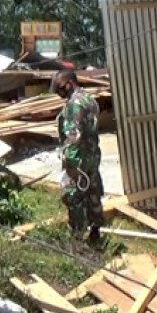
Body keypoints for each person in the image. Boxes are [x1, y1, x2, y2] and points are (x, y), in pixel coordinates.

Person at [53, 69, 104, 242]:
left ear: (69, 83)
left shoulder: (74, 104)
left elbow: (73, 136)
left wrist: (70, 163)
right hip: (92, 156)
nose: (59, 93)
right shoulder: (90, 99)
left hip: (79, 159)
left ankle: (77, 237)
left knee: (74, 196)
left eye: (60, 88)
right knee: (93, 192)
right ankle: (95, 231)